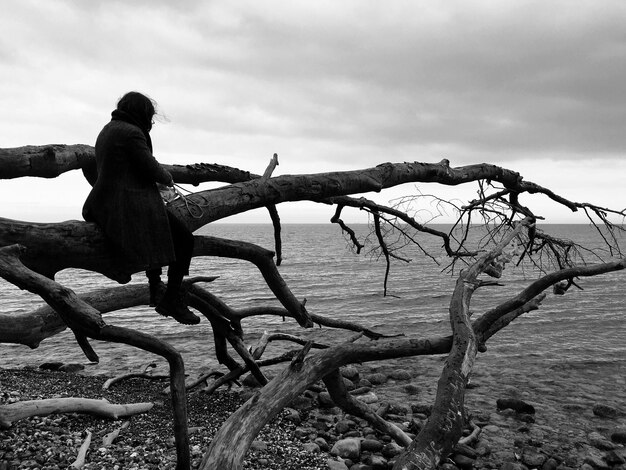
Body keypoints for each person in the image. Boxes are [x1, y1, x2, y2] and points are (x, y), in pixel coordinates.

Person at [83, 91, 200, 325]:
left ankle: (155, 286)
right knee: (184, 239)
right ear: (142, 113)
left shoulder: (108, 129)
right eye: (150, 116)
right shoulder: (132, 133)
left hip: (105, 202)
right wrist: (167, 177)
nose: (152, 122)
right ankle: (171, 299)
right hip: (127, 204)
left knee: (160, 228)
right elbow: (150, 167)